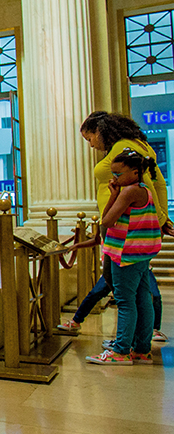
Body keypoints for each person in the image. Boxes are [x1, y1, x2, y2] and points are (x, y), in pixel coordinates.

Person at [58, 112, 172, 345]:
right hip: (124, 230)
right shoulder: (136, 145)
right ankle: (140, 344)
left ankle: (122, 347)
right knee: (137, 291)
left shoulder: (124, 150)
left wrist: (161, 219)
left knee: (125, 295)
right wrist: (162, 218)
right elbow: (158, 182)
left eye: (90, 138)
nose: (91, 145)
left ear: (100, 130)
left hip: (123, 231)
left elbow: (151, 183)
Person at [86, 149, 163, 364]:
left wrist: (113, 195)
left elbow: (107, 221)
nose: (114, 178)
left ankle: (120, 351)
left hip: (126, 253)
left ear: (135, 172)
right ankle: (141, 348)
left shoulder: (129, 191)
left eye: (118, 174)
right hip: (140, 253)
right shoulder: (143, 190)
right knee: (141, 298)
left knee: (125, 301)